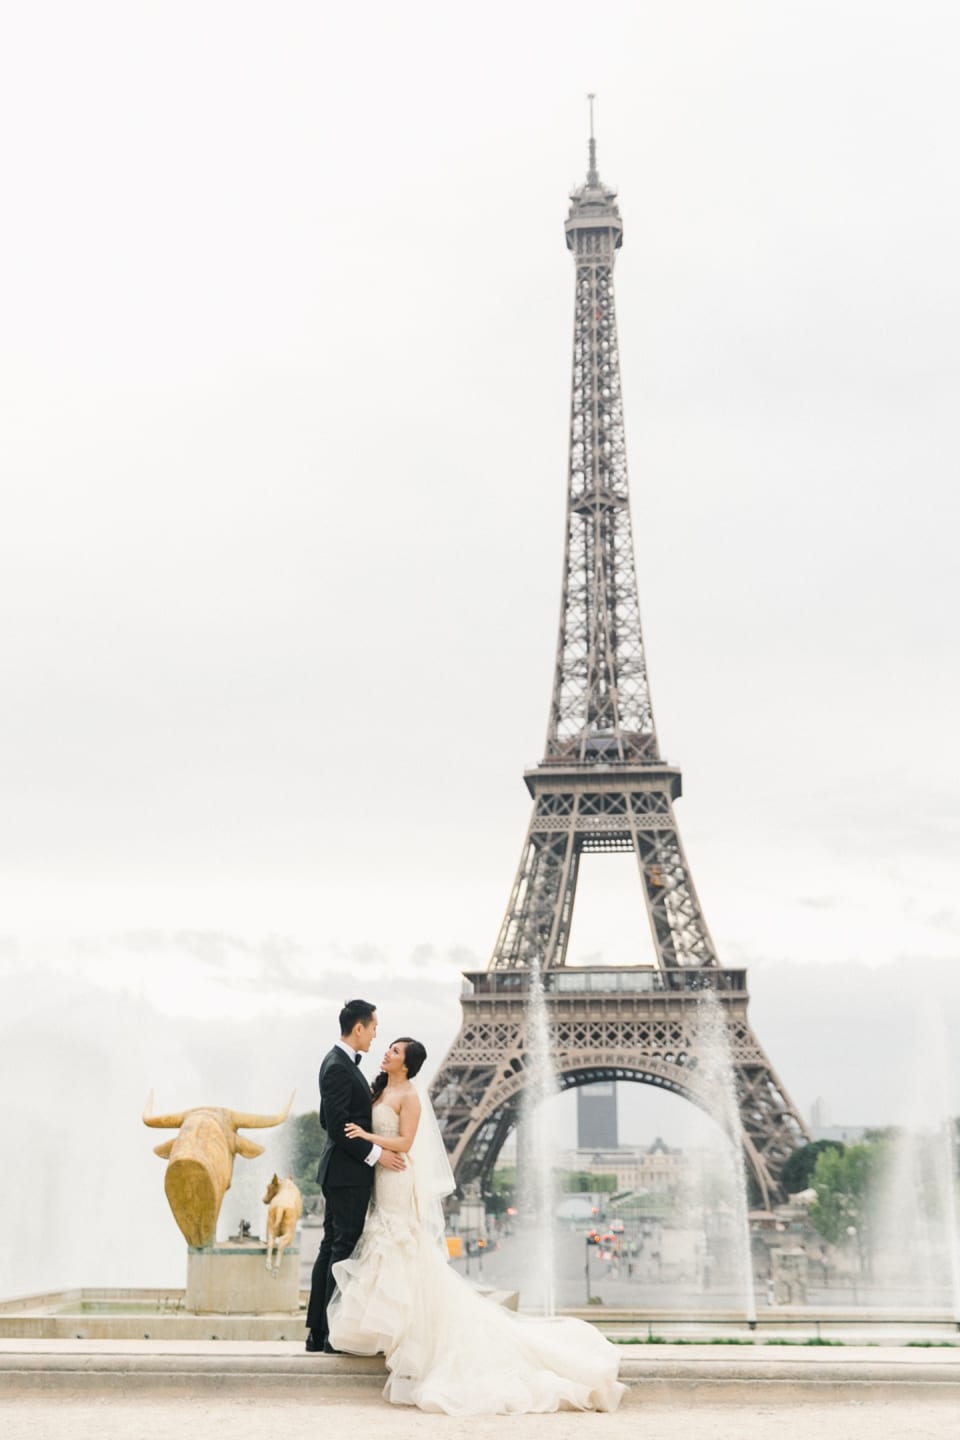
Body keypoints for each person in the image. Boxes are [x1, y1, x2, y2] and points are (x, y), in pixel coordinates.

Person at [327, 1036, 625, 1414]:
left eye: (395, 1051)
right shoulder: (381, 1090)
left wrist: (369, 1138)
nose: (387, 1052)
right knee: (386, 1244)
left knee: (397, 1243)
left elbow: (405, 1142)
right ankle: (394, 1329)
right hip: (382, 1178)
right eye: (388, 1047)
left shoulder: (411, 1097)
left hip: (396, 1176)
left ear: (408, 1063)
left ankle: (405, 1331)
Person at [305, 999, 406, 1353]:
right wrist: (377, 1154)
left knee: (331, 1247)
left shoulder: (338, 1064)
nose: (376, 1035)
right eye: (374, 1028)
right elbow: (334, 1124)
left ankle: (318, 1332)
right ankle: (330, 1332)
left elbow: (326, 1120)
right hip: (347, 1174)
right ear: (359, 1027)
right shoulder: (338, 1066)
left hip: (340, 1170)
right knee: (342, 1248)